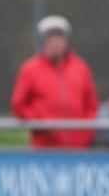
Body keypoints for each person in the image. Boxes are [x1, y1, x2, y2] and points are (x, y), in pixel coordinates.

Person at [11, 15, 99, 148]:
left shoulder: (81, 68)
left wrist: (85, 133)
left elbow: (91, 104)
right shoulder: (30, 69)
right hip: (44, 148)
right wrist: (40, 124)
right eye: (51, 40)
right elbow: (19, 104)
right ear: (44, 42)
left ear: (66, 42)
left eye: (59, 39)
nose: (55, 44)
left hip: (78, 149)